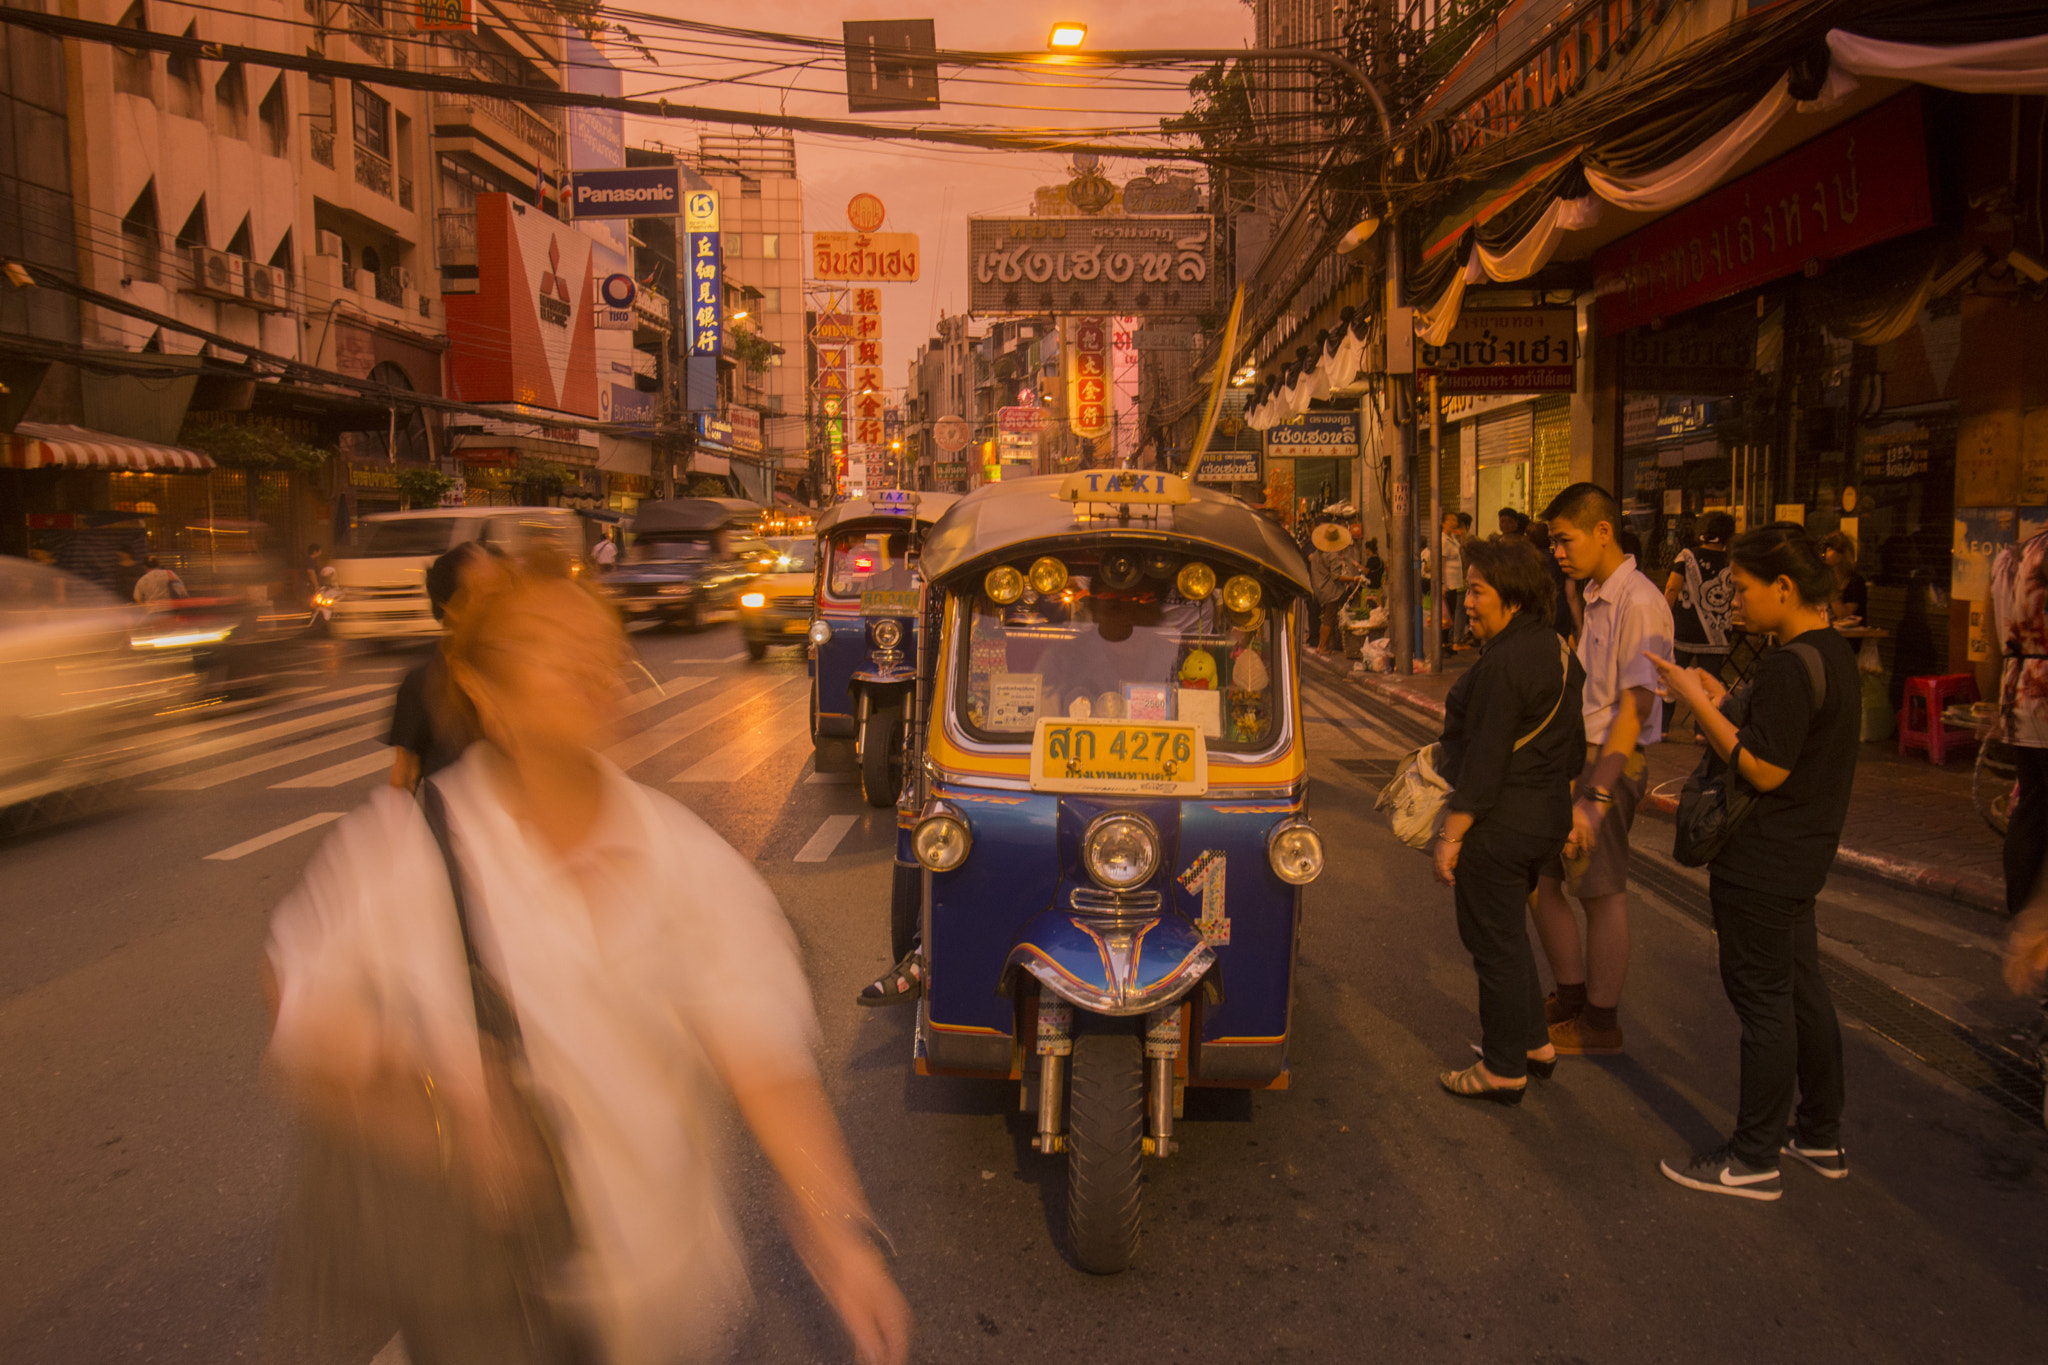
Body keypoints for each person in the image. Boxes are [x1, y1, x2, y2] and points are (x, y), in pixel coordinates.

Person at [264, 557, 912, 1365]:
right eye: (544, 643)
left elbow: (764, 1060)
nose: (583, 663)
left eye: (597, 644)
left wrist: (837, 1230)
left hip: (668, 1308)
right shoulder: (405, 854)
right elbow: (300, 1001)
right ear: (482, 691)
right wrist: (437, 1107)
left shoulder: (685, 859)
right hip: (489, 1306)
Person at [1646, 524, 1857, 1201]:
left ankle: (1753, 1155)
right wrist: (1721, 696)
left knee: (1764, 1002)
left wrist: (1696, 701)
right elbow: (1781, 732)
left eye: (1740, 588)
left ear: (1784, 588)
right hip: (1802, 853)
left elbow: (1763, 765)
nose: (1731, 600)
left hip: (1763, 859)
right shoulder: (1828, 654)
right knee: (1800, 990)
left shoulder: (1792, 664)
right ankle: (1819, 1133)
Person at [1432, 537, 1586, 1104]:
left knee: (1491, 943)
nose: (1466, 602)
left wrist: (1452, 837)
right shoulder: (1558, 651)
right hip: (1543, 820)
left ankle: (1502, 1070)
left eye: (1477, 591)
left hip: (1499, 825)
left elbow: (1487, 759)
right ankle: (1532, 1044)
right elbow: (1574, 751)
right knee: (1509, 934)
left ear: (1513, 598)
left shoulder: (1503, 664)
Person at [1533, 483, 1675, 1056]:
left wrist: (1596, 794)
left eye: (1565, 540)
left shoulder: (1639, 602)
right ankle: (1571, 996)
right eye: (1553, 542)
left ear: (1602, 531)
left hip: (1608, 761)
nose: (1558, 552)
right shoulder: (1594, 594)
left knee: (1600, 892)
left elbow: (1633, 708)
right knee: (1542, 880)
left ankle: (1600, 1020)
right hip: (1577, 756)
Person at [387, 543, 502, 792]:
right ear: (450, 605)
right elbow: (405, 776)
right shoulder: (422, 684)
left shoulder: (527, 672)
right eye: (487, 592)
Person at [1990, 527, 2048, 918]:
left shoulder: (2011, 554)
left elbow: (1993, 637)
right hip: (2043, 693)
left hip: (2017, 692)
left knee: (2030, 801)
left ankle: (2022, 906)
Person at [1663, 512, 1737, 720]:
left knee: (1673, 679)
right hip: (1718, 634)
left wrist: (1664, 618)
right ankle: (1703, 731)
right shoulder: (1731, 561)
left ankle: (1663, 727)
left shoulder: (1686, 556)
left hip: (1685, 629)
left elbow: (1671, 588)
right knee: (1710, 683)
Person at [1308, 521, 1361, 654]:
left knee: (1325, 618)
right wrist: (1354, 579)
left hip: (1319, 590)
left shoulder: (1316, 555)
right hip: (1331, 592)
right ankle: (1322, 646)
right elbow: (1336, 577)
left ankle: (1321, 645)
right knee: (1329, 619)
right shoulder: (1332, 555)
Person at [1820, 530, 1867, 623]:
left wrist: (1831, 589)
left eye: (1830, 549)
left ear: (1841, 555)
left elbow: (1843, 615)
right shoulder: (1827, 577)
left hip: (1848, 635)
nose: (1825, 554)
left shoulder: (1855, 582)